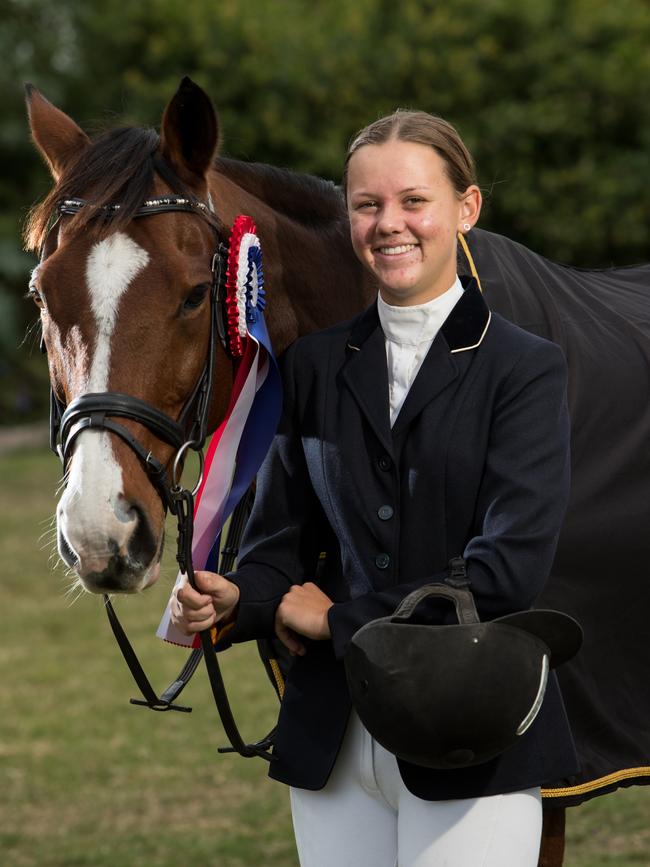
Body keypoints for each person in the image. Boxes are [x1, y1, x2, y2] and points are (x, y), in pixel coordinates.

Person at [171, 110, 578, 866]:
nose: (390, 224)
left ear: (467, 209)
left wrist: (342, 619)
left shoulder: (526, 369)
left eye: (413, 201)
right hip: (332, 741)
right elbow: (276, 547)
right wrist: (242, 598)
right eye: (368, 205)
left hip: (472, 730)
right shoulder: (314, 365)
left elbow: (506, 571)